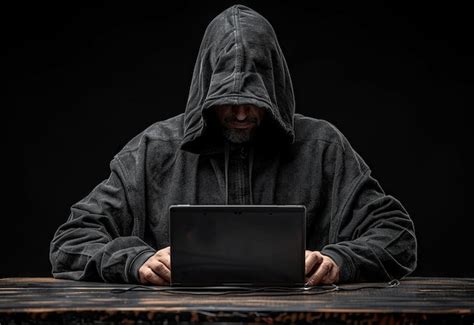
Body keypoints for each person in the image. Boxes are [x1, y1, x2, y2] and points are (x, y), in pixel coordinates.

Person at [49, 4, 417, 286]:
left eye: (253, 100)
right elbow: (71, 240)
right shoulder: (152, 151)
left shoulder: (323, 148)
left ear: (274, 92)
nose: (240, 113)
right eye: (226, 100)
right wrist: (133, 261)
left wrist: (341, 261)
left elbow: (397, 234)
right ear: (205, 92)